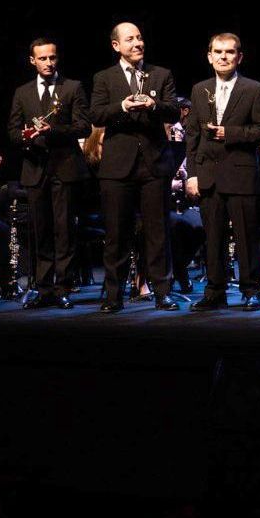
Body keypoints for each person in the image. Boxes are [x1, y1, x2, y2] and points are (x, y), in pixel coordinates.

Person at [89, 22, 180, 313]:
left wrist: (153, 105)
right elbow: (96, 114)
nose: (137, 43)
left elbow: (175, 110)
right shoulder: (104, 78)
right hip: (118, 166)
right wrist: (123, 106)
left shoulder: (161, 74)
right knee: (117, 233)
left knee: (158, 232)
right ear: (116, 45)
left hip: (154, 163)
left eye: (140, 37)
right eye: (130, 39)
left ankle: (163, 292)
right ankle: (113, 295)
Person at [185, 33, 260, 309]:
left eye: (230, 52)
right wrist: (192, 174)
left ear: (239, 57)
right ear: (209, 56)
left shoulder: (254, 89)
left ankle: (252, 289)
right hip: (209, 175)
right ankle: (215, 291)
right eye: (218, 52)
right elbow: (192, 136)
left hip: (241, 174)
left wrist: (230, 133)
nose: (223, 56)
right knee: (213, 237)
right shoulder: (200, 89)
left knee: (247, 236)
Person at [6, 38, 92, 309]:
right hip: (34, 169)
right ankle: (43, 290)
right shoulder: (23, 92)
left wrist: (52, 131)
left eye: (52, 57)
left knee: (64, 232)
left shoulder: (72, 87)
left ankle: (63, 287)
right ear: (32, 60)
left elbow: (84, 128)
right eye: (42, 58)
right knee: (39, 232)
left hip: (64, 168)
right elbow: (12, 131)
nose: (48, 63)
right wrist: (26, 138)